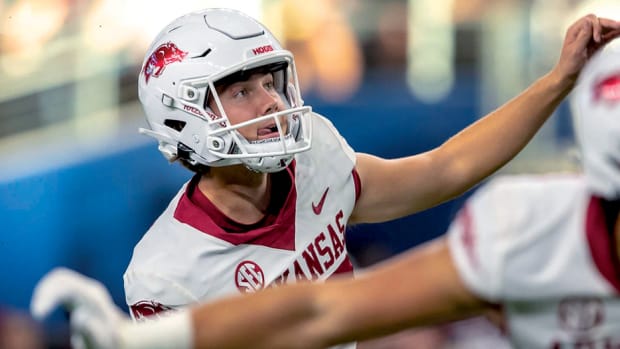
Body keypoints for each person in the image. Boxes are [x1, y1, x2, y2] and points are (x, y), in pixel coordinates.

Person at [30, 35, 620, 349]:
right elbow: (314, 315)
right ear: (184, 116)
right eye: (241, 92)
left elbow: (445, 169)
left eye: (270, 83)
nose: (271, 103)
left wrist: (556, 79)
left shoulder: (312, 155)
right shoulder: (164, 272)